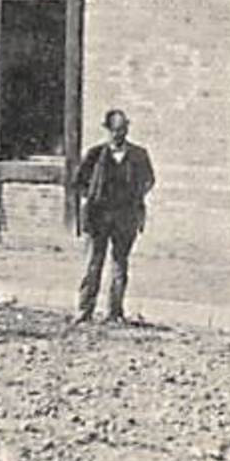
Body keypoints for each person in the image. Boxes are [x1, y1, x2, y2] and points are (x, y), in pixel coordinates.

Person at [73, 108, 155, 325]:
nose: (119, 134)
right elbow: (79, 181)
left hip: (125, 217)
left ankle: (114, 312)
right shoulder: (95, 154)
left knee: (120, 264)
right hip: (99, 217)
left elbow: (148, 180)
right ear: (108, 130)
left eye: (123, 129)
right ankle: (84, 310)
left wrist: (135, 196)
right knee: (93, 263)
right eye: (115, 130)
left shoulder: (138, 155)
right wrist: (91, 198)